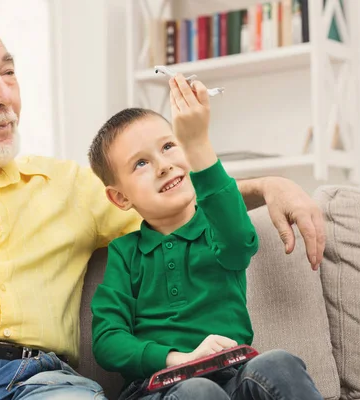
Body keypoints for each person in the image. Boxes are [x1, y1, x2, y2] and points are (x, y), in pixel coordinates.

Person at [0, 20, 324, 400]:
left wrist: (269, 185)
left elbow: (171, 199)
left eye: (8, 72)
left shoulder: (68, 186)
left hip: (42, 382)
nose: (5, 97)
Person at [88, 75, 323, 400]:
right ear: (120, 198)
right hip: (160, 387)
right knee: (198, 390)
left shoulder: (217, 227)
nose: (164, 166)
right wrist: (178, 360)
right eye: (141, 163)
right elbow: (107, 339)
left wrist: (199, 145)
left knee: (278, 363)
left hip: (233, 374)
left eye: (169, 146)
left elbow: (239, 241)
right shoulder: (125, 254)